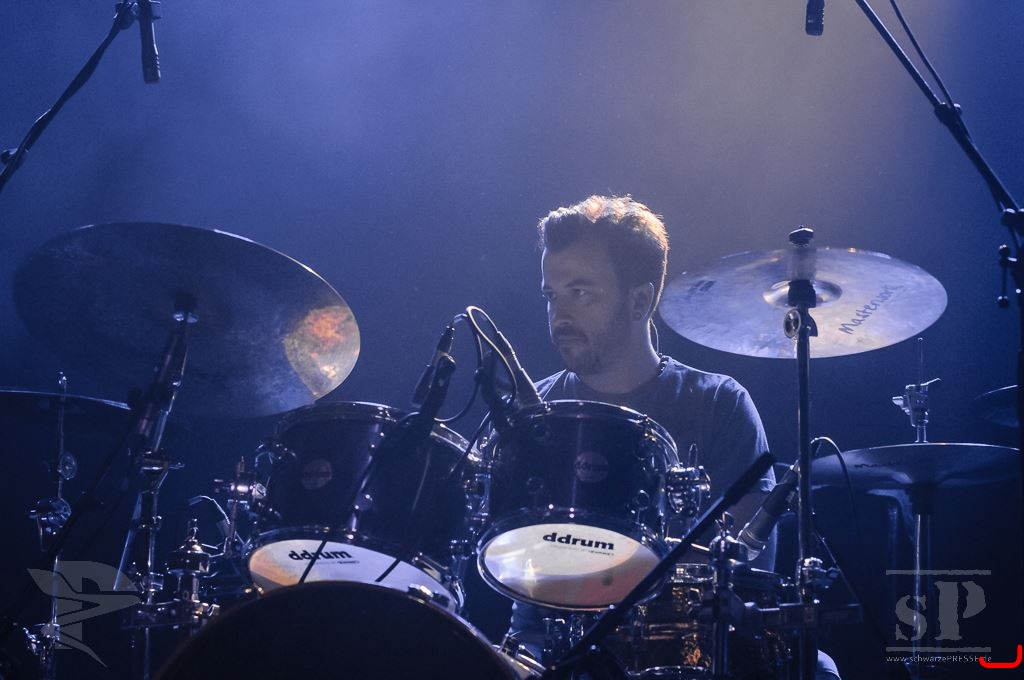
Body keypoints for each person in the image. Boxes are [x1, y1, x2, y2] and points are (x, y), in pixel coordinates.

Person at [498, 195, 839, 679]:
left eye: (581, 293)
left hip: (687, 648)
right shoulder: (536, 413)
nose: (560, 314)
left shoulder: (718, 403)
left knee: (818, 670)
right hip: (549, 648)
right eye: (551, 295)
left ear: (640, 300)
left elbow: (750, 563)